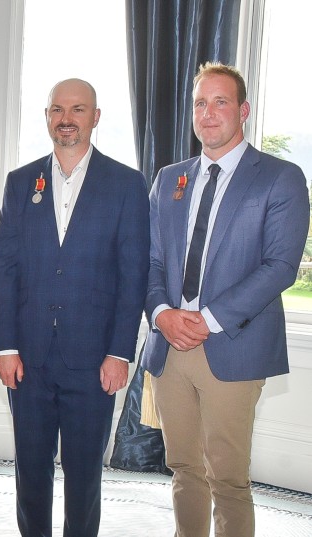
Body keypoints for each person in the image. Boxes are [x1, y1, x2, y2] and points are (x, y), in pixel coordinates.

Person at [141, 62, 310, 537]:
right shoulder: (169, 178)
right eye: (200, 103)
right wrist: (161, 313)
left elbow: (279, 267)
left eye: (220, 102)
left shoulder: (280, 178)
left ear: (244, 111)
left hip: (234, 346)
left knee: (229, 478)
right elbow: (150, 262)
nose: (208, 113)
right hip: (170, 347)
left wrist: (208, 319)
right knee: (184, 469)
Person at [0, 78, 149, 536]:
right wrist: (5, 347)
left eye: (78, 110)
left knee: (84, 478)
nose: (66, 119)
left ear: (95, 117)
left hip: (95, 362)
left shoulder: (126, 184)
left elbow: (132, 276)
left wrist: (120, 352)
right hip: (29, 361)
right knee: (30, 474)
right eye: (57, 109)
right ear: (47, 117)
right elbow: (4, 269)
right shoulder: (22, 183)